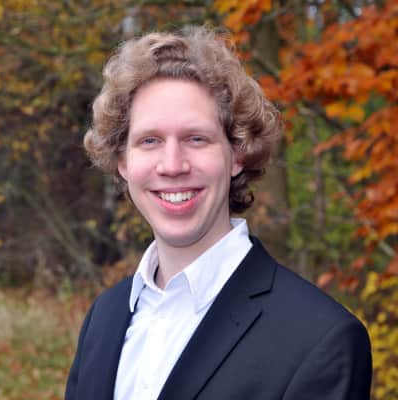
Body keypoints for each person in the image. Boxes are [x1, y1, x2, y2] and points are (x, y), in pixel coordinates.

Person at [65, 26, 372, 400]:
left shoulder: (321, 340)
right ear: (123, 162)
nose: (172, 165)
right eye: (150, 140)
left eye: (197, 139)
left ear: (238, 154)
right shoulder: (104, 318)